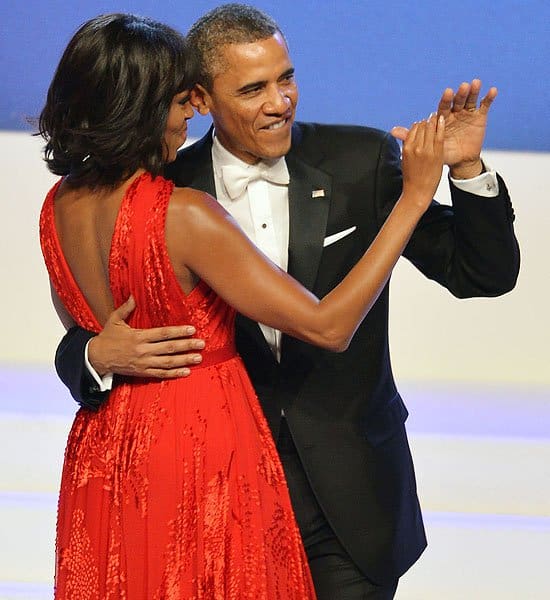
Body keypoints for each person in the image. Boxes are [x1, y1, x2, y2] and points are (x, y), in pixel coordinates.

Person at [52, 4, 520, 600]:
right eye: (253, 88)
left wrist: (467, 171)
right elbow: (89, 325)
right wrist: (93, 353)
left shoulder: (362, 162)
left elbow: (484, 273)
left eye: (286, 77)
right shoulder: (169, 189)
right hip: (215, 494)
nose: (280, 101)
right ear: (201, 97)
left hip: (349, 502)